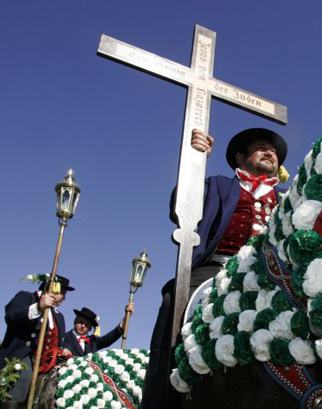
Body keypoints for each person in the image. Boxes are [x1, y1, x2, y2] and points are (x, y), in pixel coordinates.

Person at [141, 128, 288, 409]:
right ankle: (162, 397)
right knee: (175, 300)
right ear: (240, 157)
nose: (270, 153)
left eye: (274, 153)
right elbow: (179, 205)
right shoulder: (219, 185)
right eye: (261, 148)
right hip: (217, 269)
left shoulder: (287, 199)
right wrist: (196, 162)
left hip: (273, 276)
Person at [0, 275, 74, 406]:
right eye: (63, 292)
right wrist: (38, 307)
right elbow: (11, 316)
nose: (64, 297)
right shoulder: (26, 297)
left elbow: (58, 341)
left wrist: (63, 350)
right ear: (53, 288)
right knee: (23, 376)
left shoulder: (59, 316)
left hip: (49, 361)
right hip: (23, 356)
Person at [61, 304, 134, 357]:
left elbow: (109, 338)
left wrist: (126, 317)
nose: (83, 326)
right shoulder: (64, 337)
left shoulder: (93, 341)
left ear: (90, 328)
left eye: (87, 325)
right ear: (75, 321)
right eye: (81, 322)